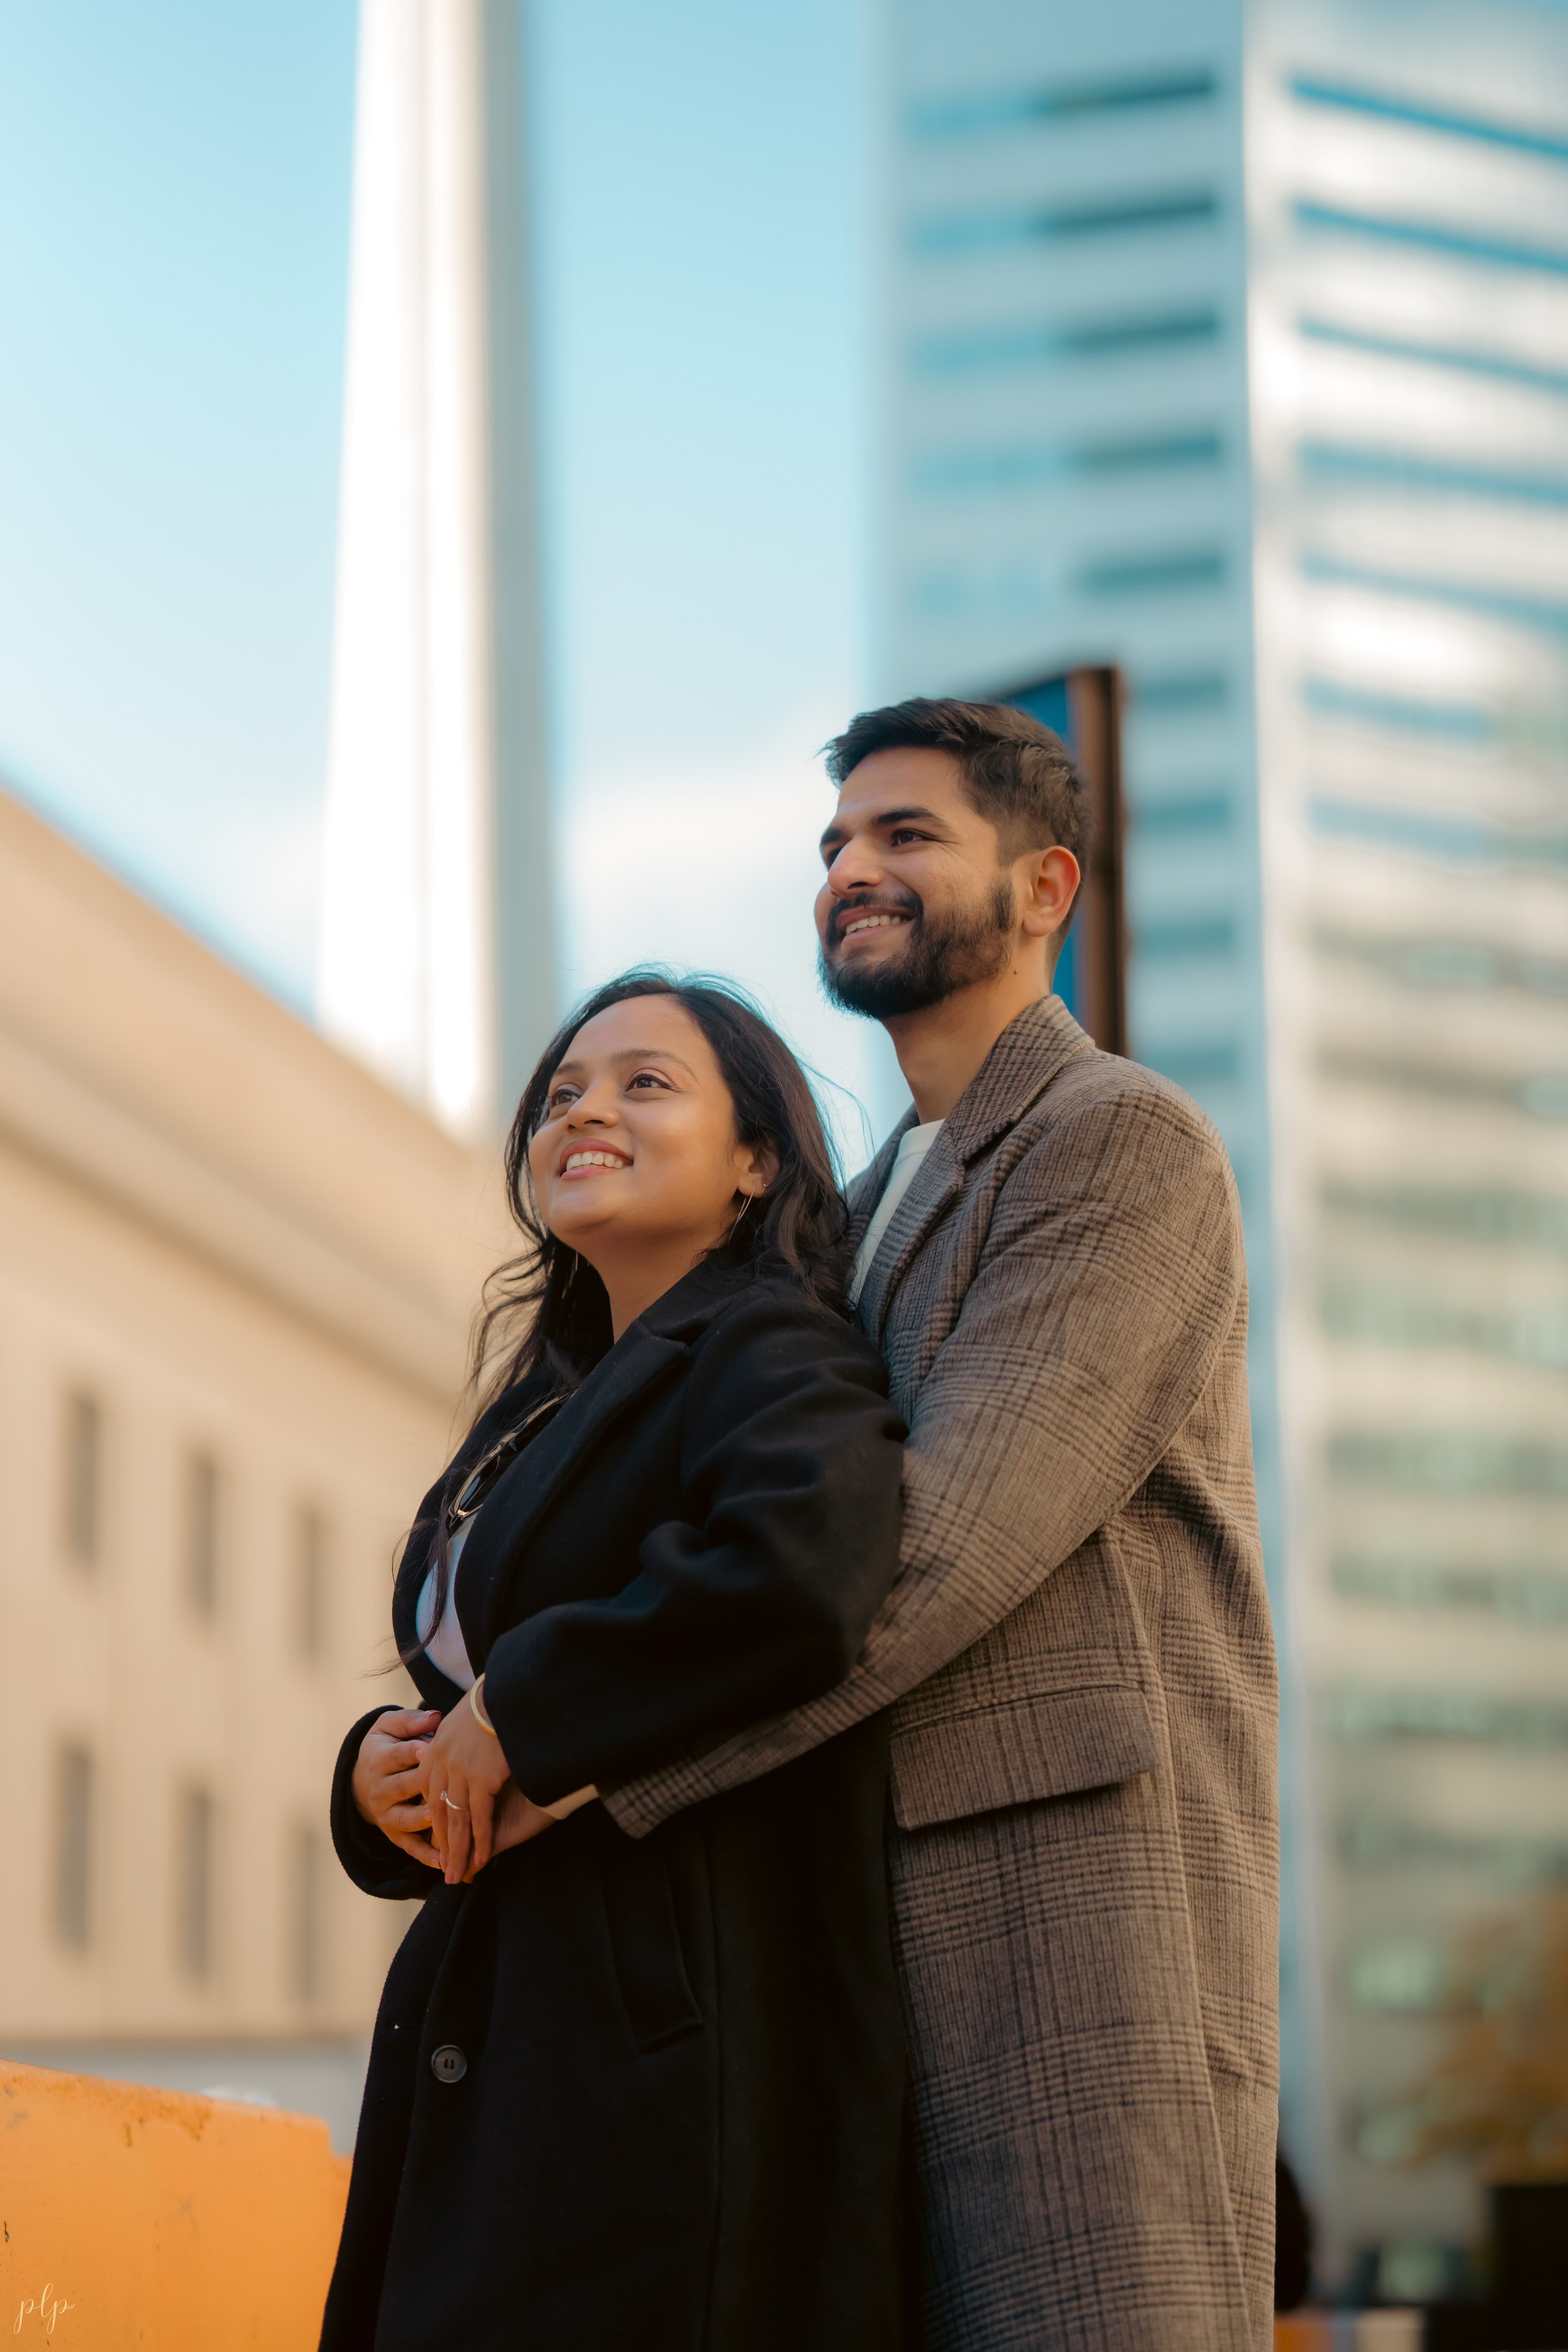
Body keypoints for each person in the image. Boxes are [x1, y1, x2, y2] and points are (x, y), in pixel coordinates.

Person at [597, 700, 1281, 2352]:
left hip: (1073, 1940)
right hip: (848, 1957)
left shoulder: (1120, 1142)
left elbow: (935, 1549)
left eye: (905, 835)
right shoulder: (857, 1209)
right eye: (836, 843)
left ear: (1045, 888)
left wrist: (575, 1753)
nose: (852, 870)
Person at [320, 974, 911, 2352]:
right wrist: (375, 1780)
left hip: (663, 2072)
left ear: (754, 1159)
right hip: (502, 2032)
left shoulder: (767, 1343)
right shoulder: (538, 1410)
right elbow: (462, 1708)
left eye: (645, 1082)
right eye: (562, 1093)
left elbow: (799, 1572)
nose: (584, 1110)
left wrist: (525, 1709)